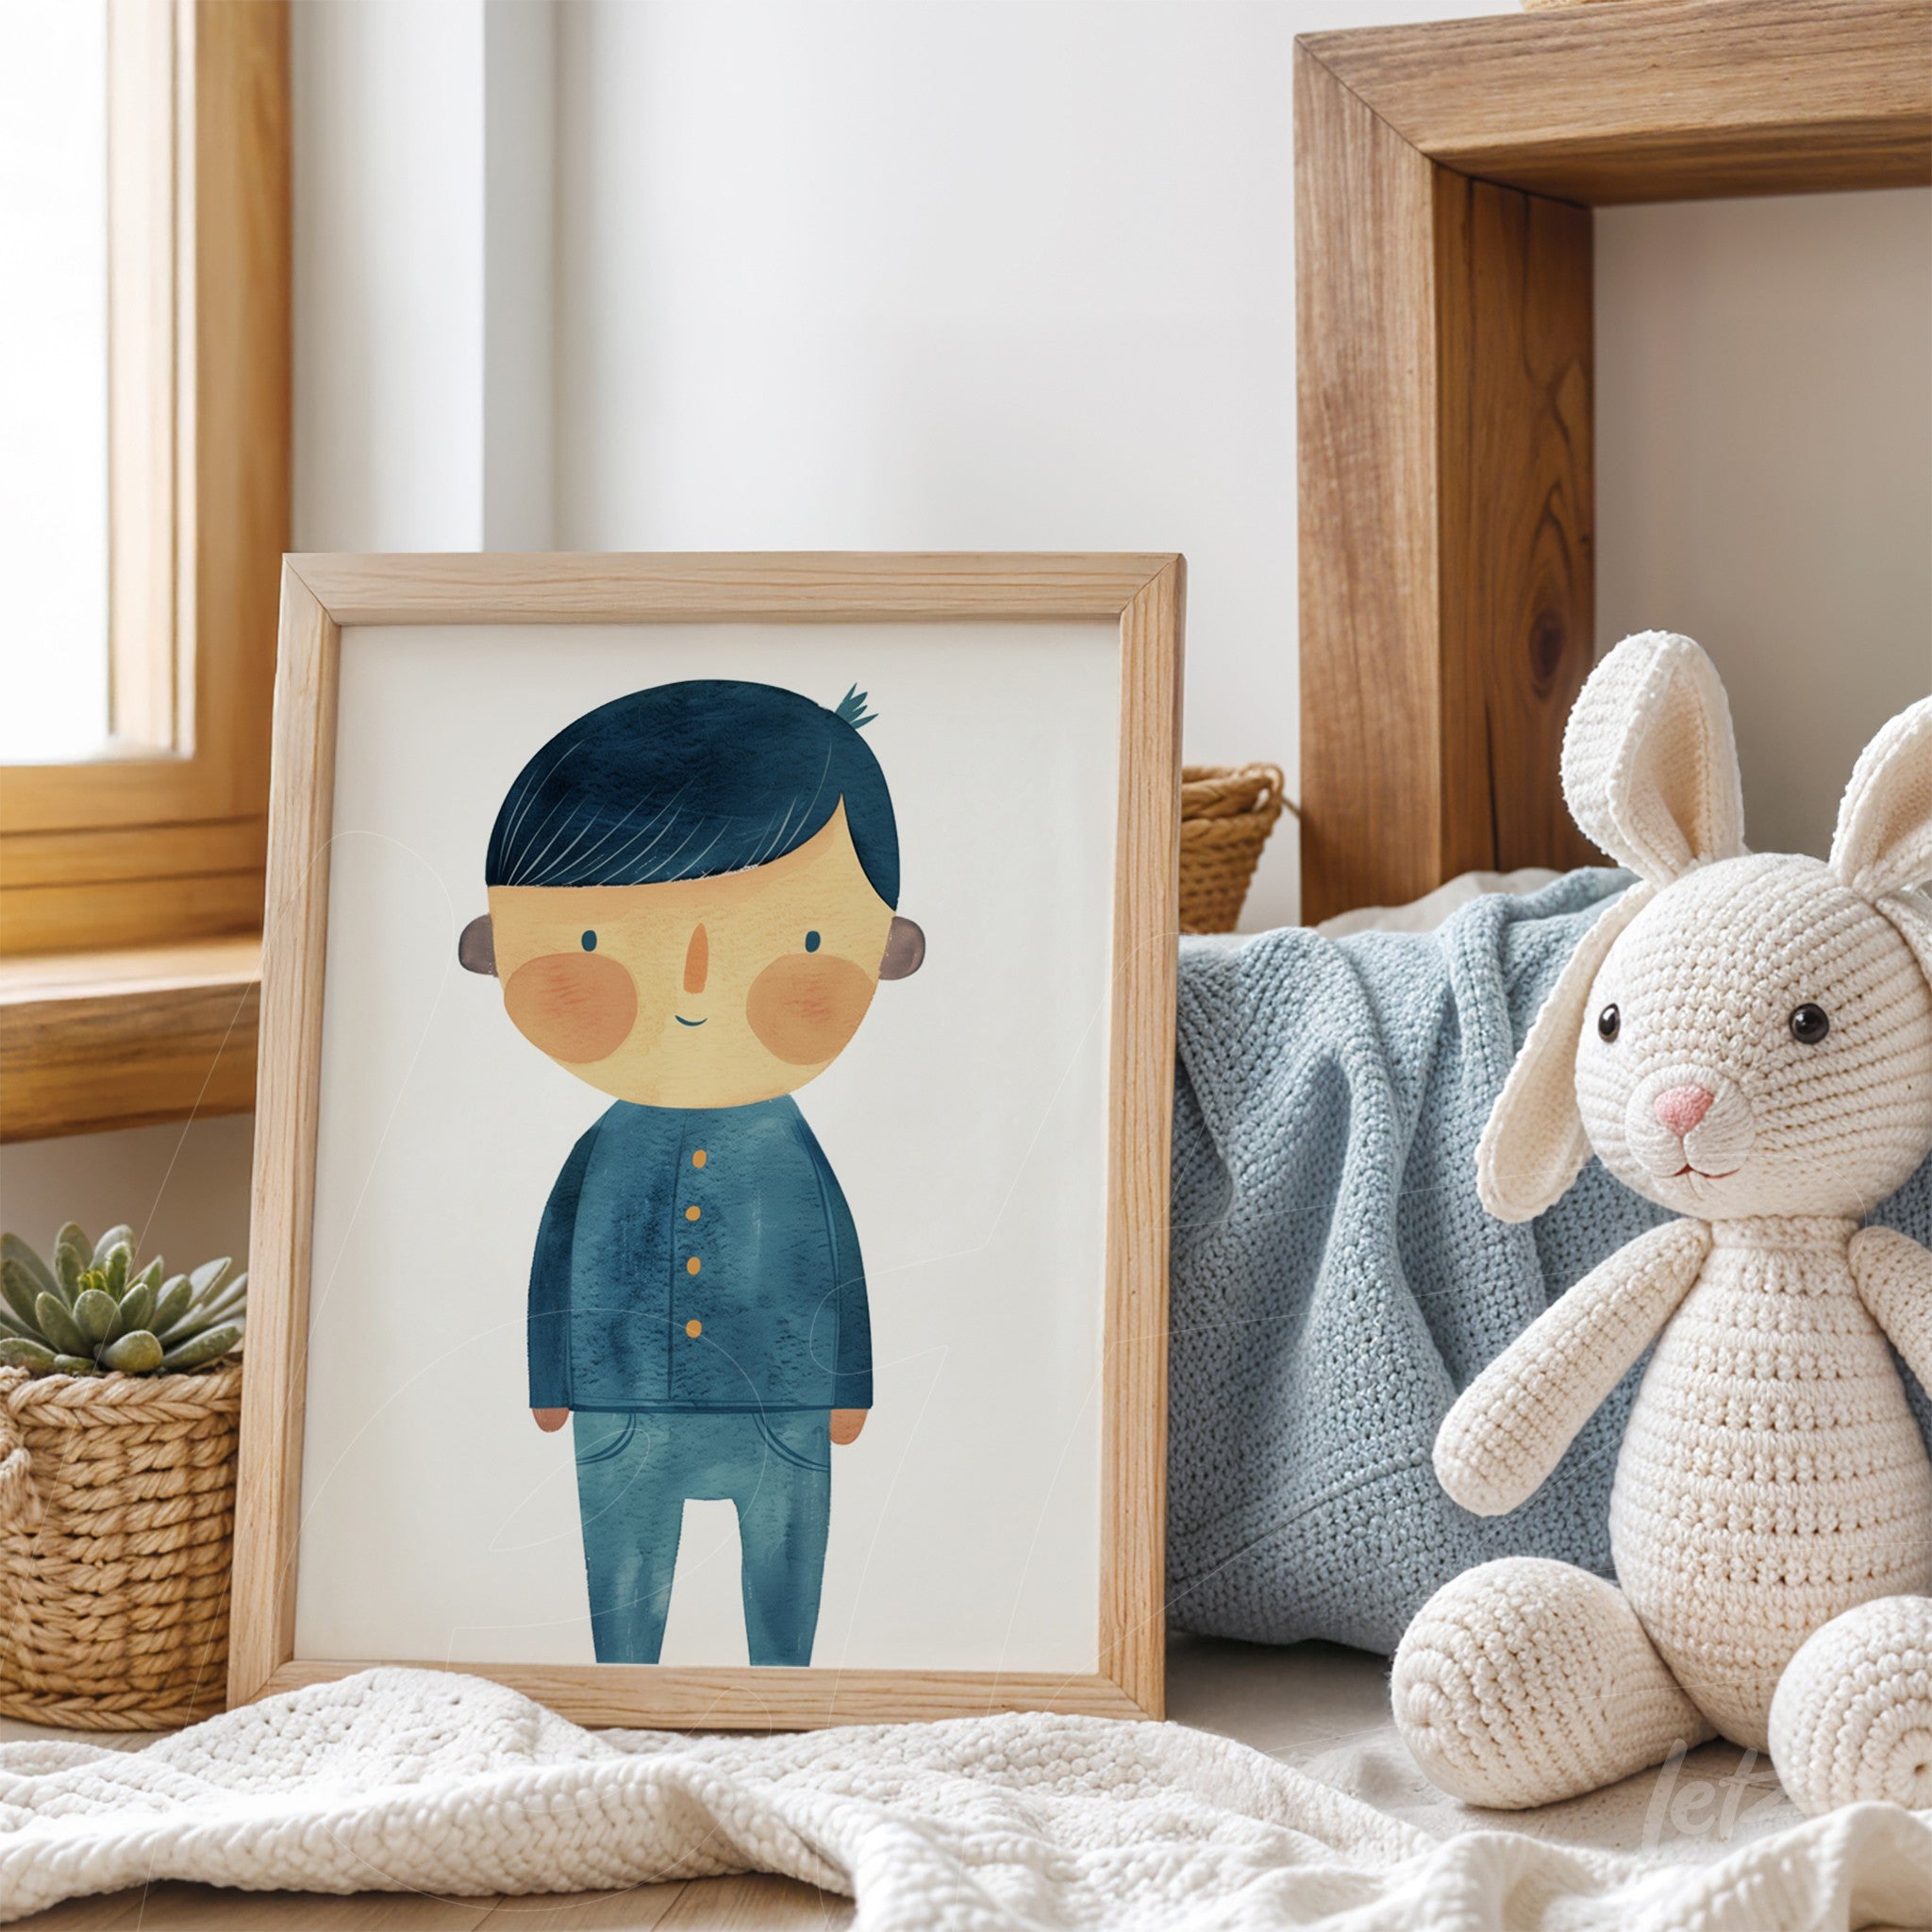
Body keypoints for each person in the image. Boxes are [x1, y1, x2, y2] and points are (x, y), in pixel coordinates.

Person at [458, 679, 924, 1666]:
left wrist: (850, 1384)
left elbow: (835, 1255)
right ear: (497, 950)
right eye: (591, 938)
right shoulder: (603, 1148)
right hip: (621, 1397)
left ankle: (784, 1698)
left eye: (796, 937)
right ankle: (624, 1690)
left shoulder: (790, 1145)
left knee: (784, 1575)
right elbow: (556, 1250)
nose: (699, 985)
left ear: (886, 951)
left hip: (781, 1401)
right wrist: (550, 1374)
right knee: (622, 1579)